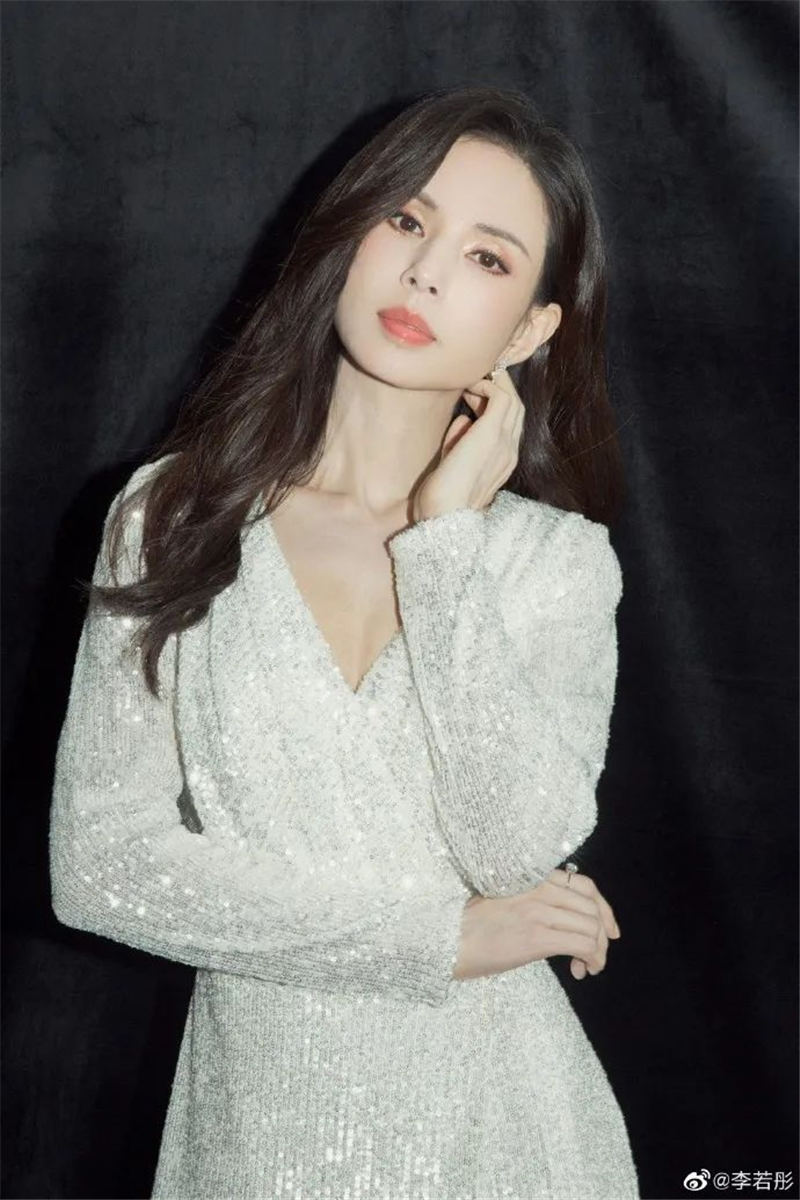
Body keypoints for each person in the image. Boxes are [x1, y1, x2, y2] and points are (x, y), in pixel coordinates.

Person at [49, 85, 640, 1199]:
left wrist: (446, 545)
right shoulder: (170, 514)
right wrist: (438, 939)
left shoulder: (555, 564)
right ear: (350, 233)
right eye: (407, 220)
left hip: (510, 1130)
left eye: (486, 257)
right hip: (256, 1136)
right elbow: (103, 868)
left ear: (528, 331)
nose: (425, 273)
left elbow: (514, 850)